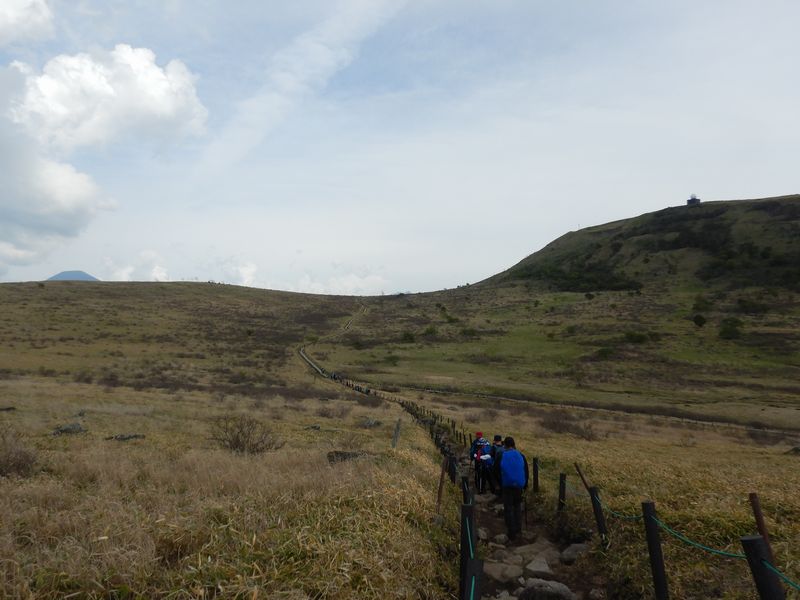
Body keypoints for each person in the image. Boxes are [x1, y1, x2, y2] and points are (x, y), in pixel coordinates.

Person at [499, 436, 528, 540]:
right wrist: (525, 485)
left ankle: (511, 533)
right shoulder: (521, 455)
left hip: (507, 486)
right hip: (519, 486)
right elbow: (526, 471)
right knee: (517, 507)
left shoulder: (503, 455)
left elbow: (497, 470)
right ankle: (518, 529)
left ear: (505, 445)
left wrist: (500, 484)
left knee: (508, 508)